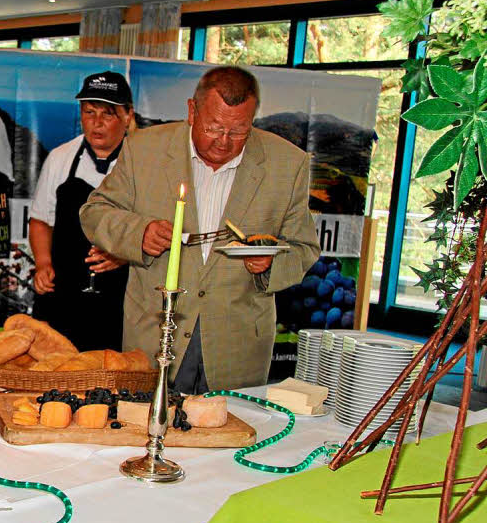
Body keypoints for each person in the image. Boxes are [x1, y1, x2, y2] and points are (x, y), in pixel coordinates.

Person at [80, 66, 319, 392]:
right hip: (153, 334)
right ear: (192, 110)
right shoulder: (143, 149)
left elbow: (305, 247)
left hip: (238, 347)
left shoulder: (288, 164)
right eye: (214, 127)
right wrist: (140, 232)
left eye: (239, 131)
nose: (223, 142)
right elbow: (95, 212)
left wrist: (270, 264)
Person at [29, 71, 133, 350]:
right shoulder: (61, 158)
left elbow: (156, 229)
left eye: (108, 114)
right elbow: (40, 220)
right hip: (64, 295)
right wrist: (42, 263)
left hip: (120, 298)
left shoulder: (145, 162)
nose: (96, 123)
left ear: (128, 116)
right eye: (89, 112)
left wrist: (125, 254)